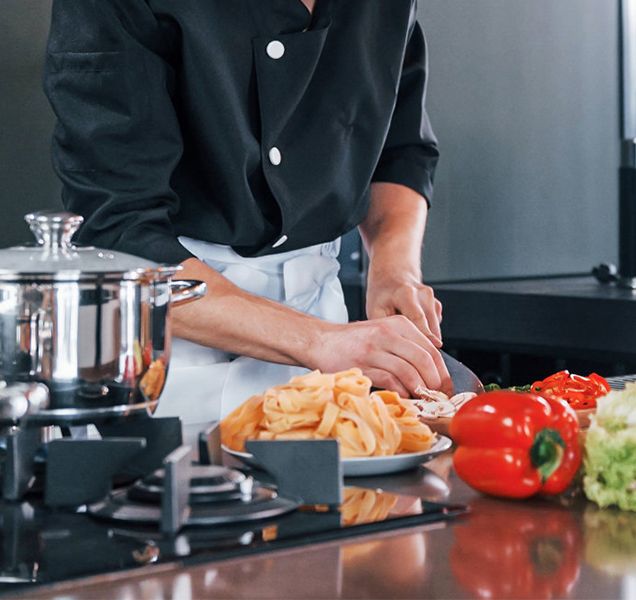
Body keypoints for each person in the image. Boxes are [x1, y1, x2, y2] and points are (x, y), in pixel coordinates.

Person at [43, 0, 451, 424]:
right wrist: (319, 342)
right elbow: (119, 233)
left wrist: (392, 270)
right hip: (170, 345)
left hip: (330, 333)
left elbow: (400, 151)